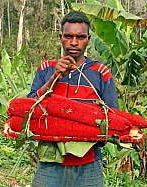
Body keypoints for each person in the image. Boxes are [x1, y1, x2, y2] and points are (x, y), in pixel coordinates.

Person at [27, 11, 119, 187]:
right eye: (68, 36)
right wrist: (55, 77)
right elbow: (29, 108)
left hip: (89, 165)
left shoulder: (100, 72)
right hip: (49, 163)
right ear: (60, 37)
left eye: (80, 37)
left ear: (88, 39)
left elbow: (113, 117)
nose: (74, 42)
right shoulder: (46, 69)